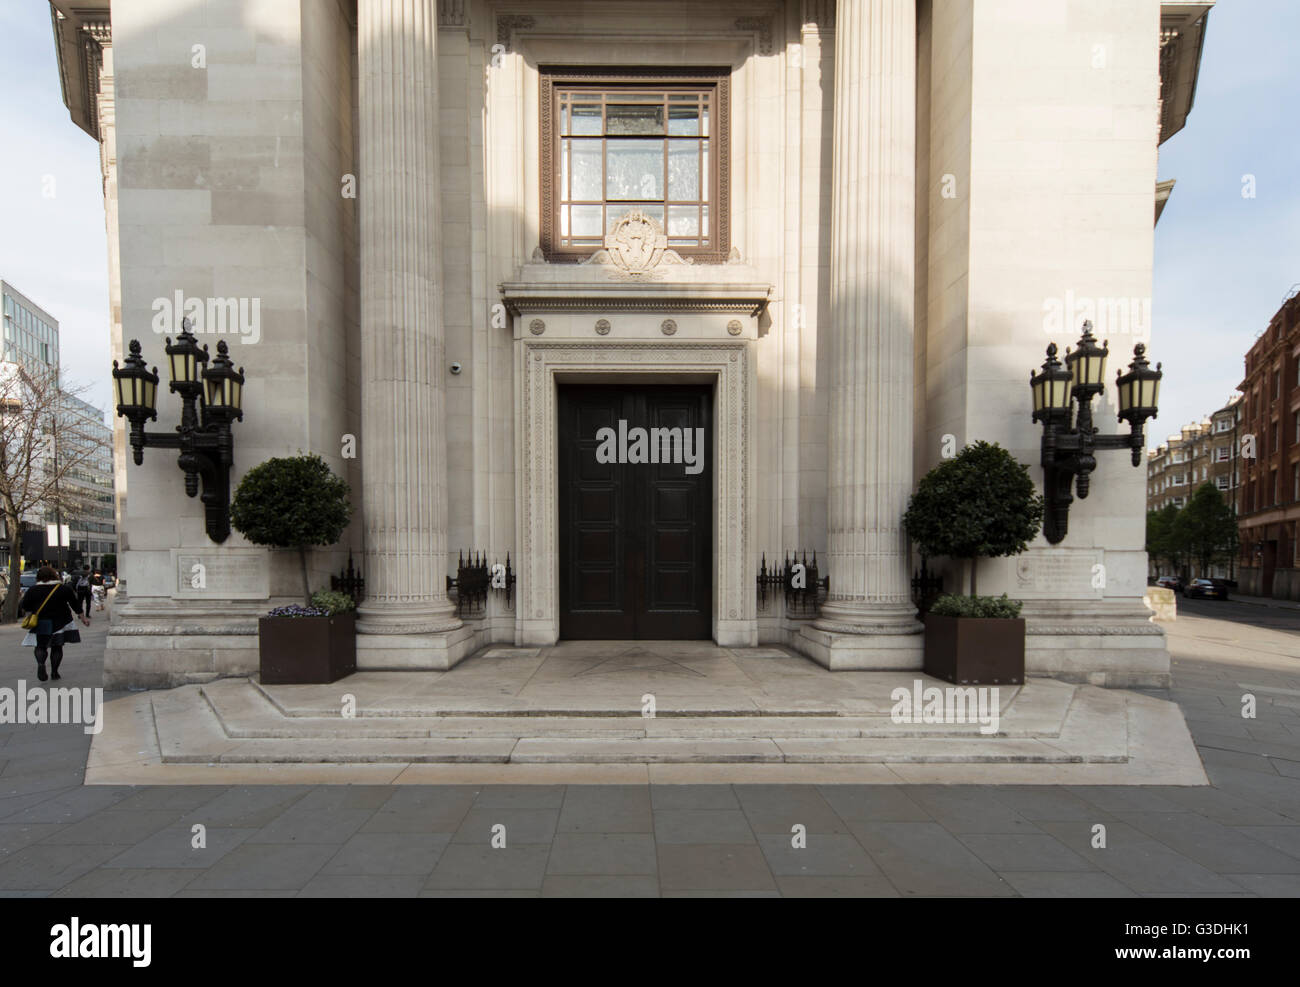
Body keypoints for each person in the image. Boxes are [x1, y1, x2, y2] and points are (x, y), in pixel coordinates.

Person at [19, 566, 88, 682]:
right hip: (60, 621)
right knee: (57, 647)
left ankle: (41, 663)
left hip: (41, 622)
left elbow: (24, 606)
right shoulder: (63, 588)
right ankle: (55, 672)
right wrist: (83, 618)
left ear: (39, 577)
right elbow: (74, 604)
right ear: (54, 575)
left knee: (40, 646)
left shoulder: (33, 590)